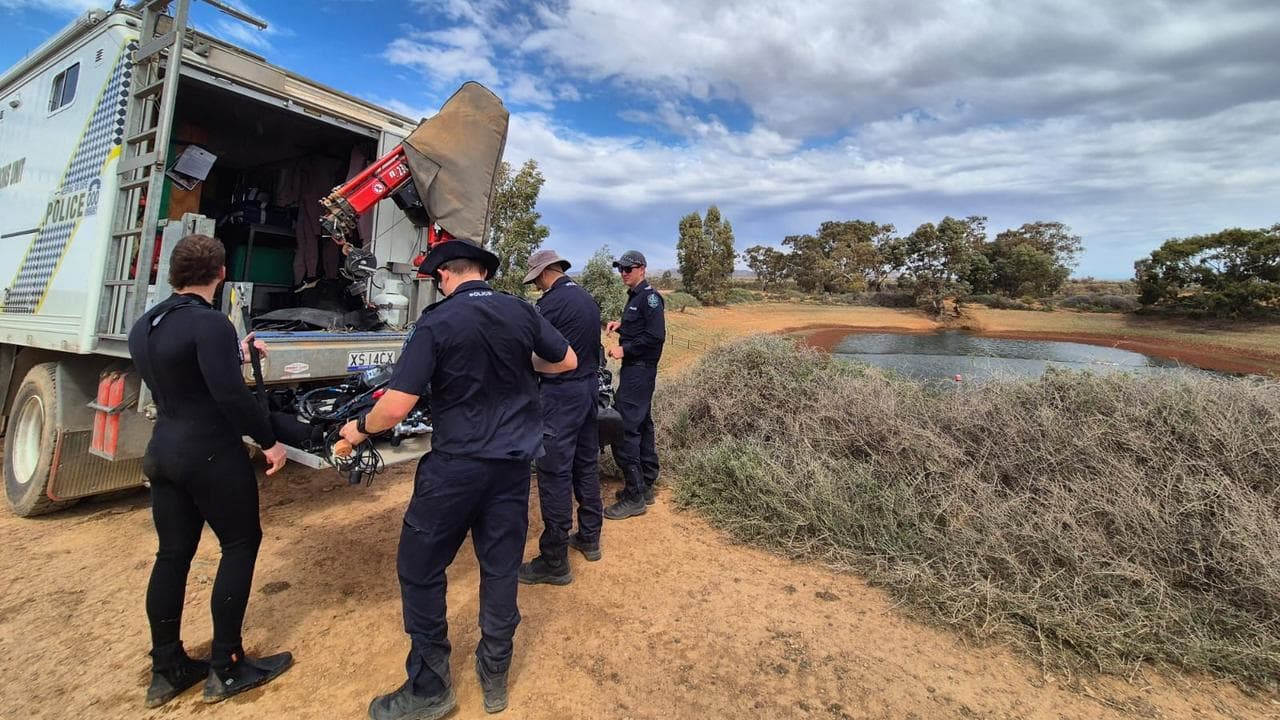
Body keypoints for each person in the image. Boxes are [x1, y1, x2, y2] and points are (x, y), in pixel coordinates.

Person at [339, 239, 576, 720]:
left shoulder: (437, 322)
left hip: (456, 468)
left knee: (420, 568)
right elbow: (566, 361)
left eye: (437, 278)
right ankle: (494, 678)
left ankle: (430, 689)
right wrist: (517, 362)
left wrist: (356, 431)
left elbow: (397, 406)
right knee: (500, 567)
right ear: (482, 273)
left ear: (446, 275)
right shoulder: (520, 313)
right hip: (511, 469)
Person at [126, 233, 292, 708]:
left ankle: (167, 666)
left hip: (164, 452)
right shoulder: (210, 323)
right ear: (220, 274)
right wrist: (269, 442)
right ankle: (227, 665)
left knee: (172, 556)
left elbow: (184, 372)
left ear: (173, 275)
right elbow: (229, 396)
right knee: (241, 544)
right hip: (210, 455)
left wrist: (234, 351)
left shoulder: (147, 324)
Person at [518, 249, 604, 585]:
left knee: (554, 472)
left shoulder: (549, 305)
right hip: (588, 391)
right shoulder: (587, 299)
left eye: (536, 280)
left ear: (542, 274)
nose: (537, 287)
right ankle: (590, 536)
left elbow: (535, 350)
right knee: (586, 464)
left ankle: (554, 560)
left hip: (559, 395)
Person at [603, 249, 666, 520]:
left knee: (624, 428)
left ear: (642, 268)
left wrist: (624, 350)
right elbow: (640, 328)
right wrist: (621, 327)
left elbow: (655, 338)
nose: (623, 273)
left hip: (639, 371)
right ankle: (647, 481)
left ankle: (635, 495)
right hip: (636, 373)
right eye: (620, 269)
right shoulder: (636, 298)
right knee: (643, 424)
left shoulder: (650, 298)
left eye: (628, 269)